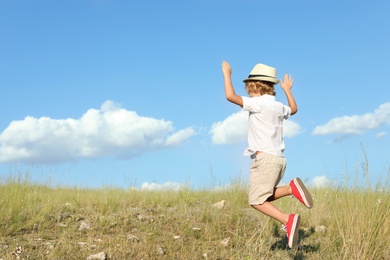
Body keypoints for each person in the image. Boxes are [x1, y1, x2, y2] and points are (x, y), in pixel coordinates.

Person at [221, 61, 313, 248]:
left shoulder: (257, 103)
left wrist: (226, 74)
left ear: (253, 86)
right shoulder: (278, 106)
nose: (247, 90)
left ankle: (287, 219)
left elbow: (230, 96)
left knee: (256, 201)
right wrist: (287, 90)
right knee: (265, 197)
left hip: (264, 160)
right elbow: (293, 110)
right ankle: (290, 189)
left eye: (248, 87)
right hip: (279, 160)